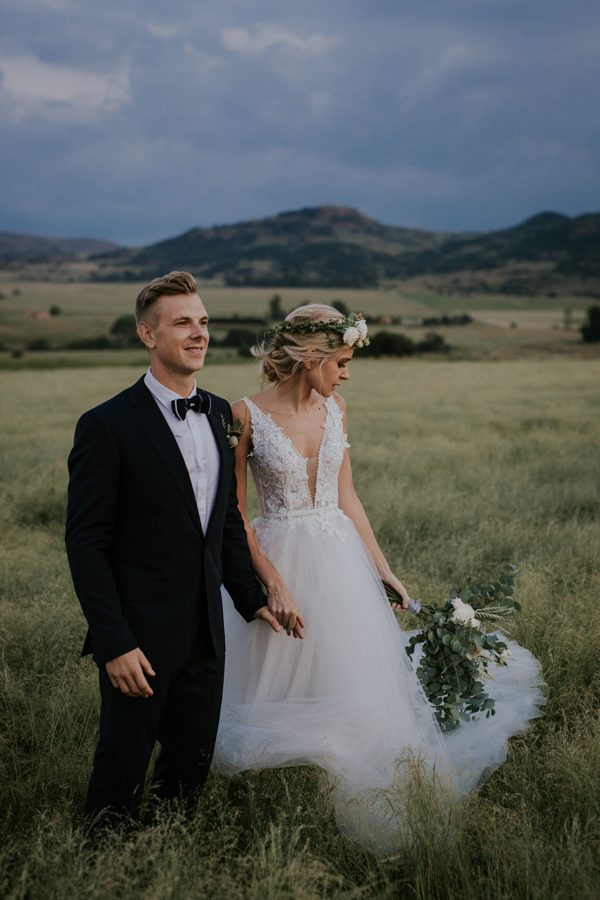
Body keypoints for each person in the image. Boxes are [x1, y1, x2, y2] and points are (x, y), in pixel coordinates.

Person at [212, 304, 546, 854]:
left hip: (338, 559)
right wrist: (272, 582)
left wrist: (382, 569)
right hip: (277, 555)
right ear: (311, 357)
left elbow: (347, 498)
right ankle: (270, 801)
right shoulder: (242, 414)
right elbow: (235, 512)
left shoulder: (338, 408)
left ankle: (347, 781)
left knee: (351, 676)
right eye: (340, 361)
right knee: (277, 676)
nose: (346, 373)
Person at [65, 270, 299, 824]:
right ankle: (101, 869)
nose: (199, 335)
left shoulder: (221, 414)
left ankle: (169, 860)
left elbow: (224, 523)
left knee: (188, 778)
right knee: (118, 776)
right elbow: (85, 544)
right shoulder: (106, 425)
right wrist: (113, 642)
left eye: (203, 322)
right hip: (139, 641)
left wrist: (252, 597)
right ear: (148, 336)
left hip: (208, 633)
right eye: (182, 324)